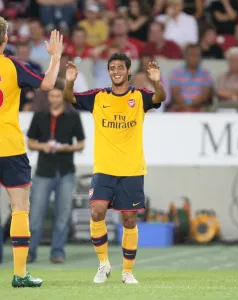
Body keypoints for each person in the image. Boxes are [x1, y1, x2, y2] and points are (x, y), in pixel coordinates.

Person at [63, 52, 166, 284]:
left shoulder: (140, 97)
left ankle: (127, 272)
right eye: (112, 67)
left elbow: (160, 97)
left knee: (129, 220)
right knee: (97, 211)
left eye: (120, 67)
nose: (116, 71)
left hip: (132, 169)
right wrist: (69, 80)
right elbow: (69, 98)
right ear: (108, 72)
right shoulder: (98, 97)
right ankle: (103, 264)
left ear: (128, 71)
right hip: (104, 169)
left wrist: (156, 80)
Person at [0, 16, 63, 288]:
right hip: (9, 146)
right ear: (5, 39)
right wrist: (55, 56)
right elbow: (48, 84)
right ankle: (20, 273)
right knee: (20, 208)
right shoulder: (12, 66)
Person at [26, 80, 85, 264]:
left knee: (63, 214)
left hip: (66, 171)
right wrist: (43, 146)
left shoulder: (73, 116)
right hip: (43, 172)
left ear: (63, 97)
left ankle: (57, 252)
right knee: (35, 214)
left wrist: (67, 148)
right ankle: (30, 252)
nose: (54, 99)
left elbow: (81, 143)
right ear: (48, 97)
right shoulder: (39, 116)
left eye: (58, 96)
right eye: (52, 95)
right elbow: (30, 142)